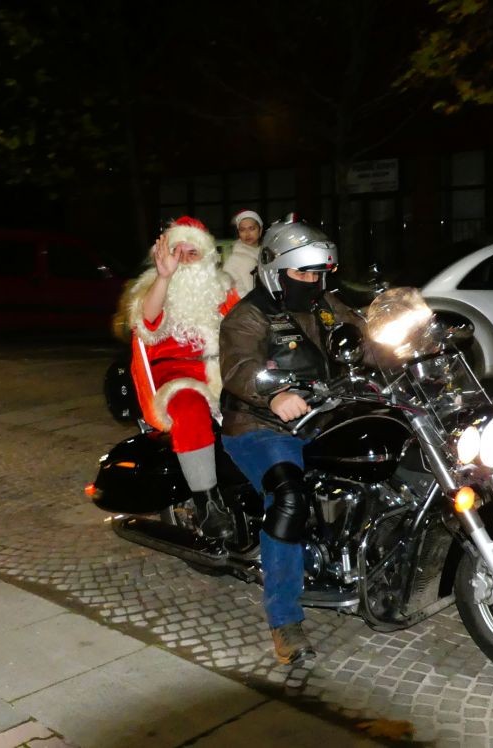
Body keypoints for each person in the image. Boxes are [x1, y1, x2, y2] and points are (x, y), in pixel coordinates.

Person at [219, 214, 357, 665]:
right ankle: (284, 620)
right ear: (275, 271)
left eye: (319, 274)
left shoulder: (324, 303)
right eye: (303, 273)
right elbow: (239, 367)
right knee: (288, 499)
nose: (313, 283)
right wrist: (274, 393)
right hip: (259, 424)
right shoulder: (248, 315)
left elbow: (362, 336)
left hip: (321, 415)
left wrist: (415, 344)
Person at [123, 216, 239, 539]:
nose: (185, 260)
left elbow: (246, 327)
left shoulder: (222, 289)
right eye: (178, 252)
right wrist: (164, 276)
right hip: (175, 374)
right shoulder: (155, 287)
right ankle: (208, 504)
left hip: (222, 371)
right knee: (190, 407)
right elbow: (147, 321)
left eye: (192, 253)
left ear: (206, 256)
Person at [222, 209, 263, 298]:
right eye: (242, 230)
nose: (247, 234)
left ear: (260, 230)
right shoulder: (234, 260)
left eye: (251, 228)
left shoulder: (266, 255)